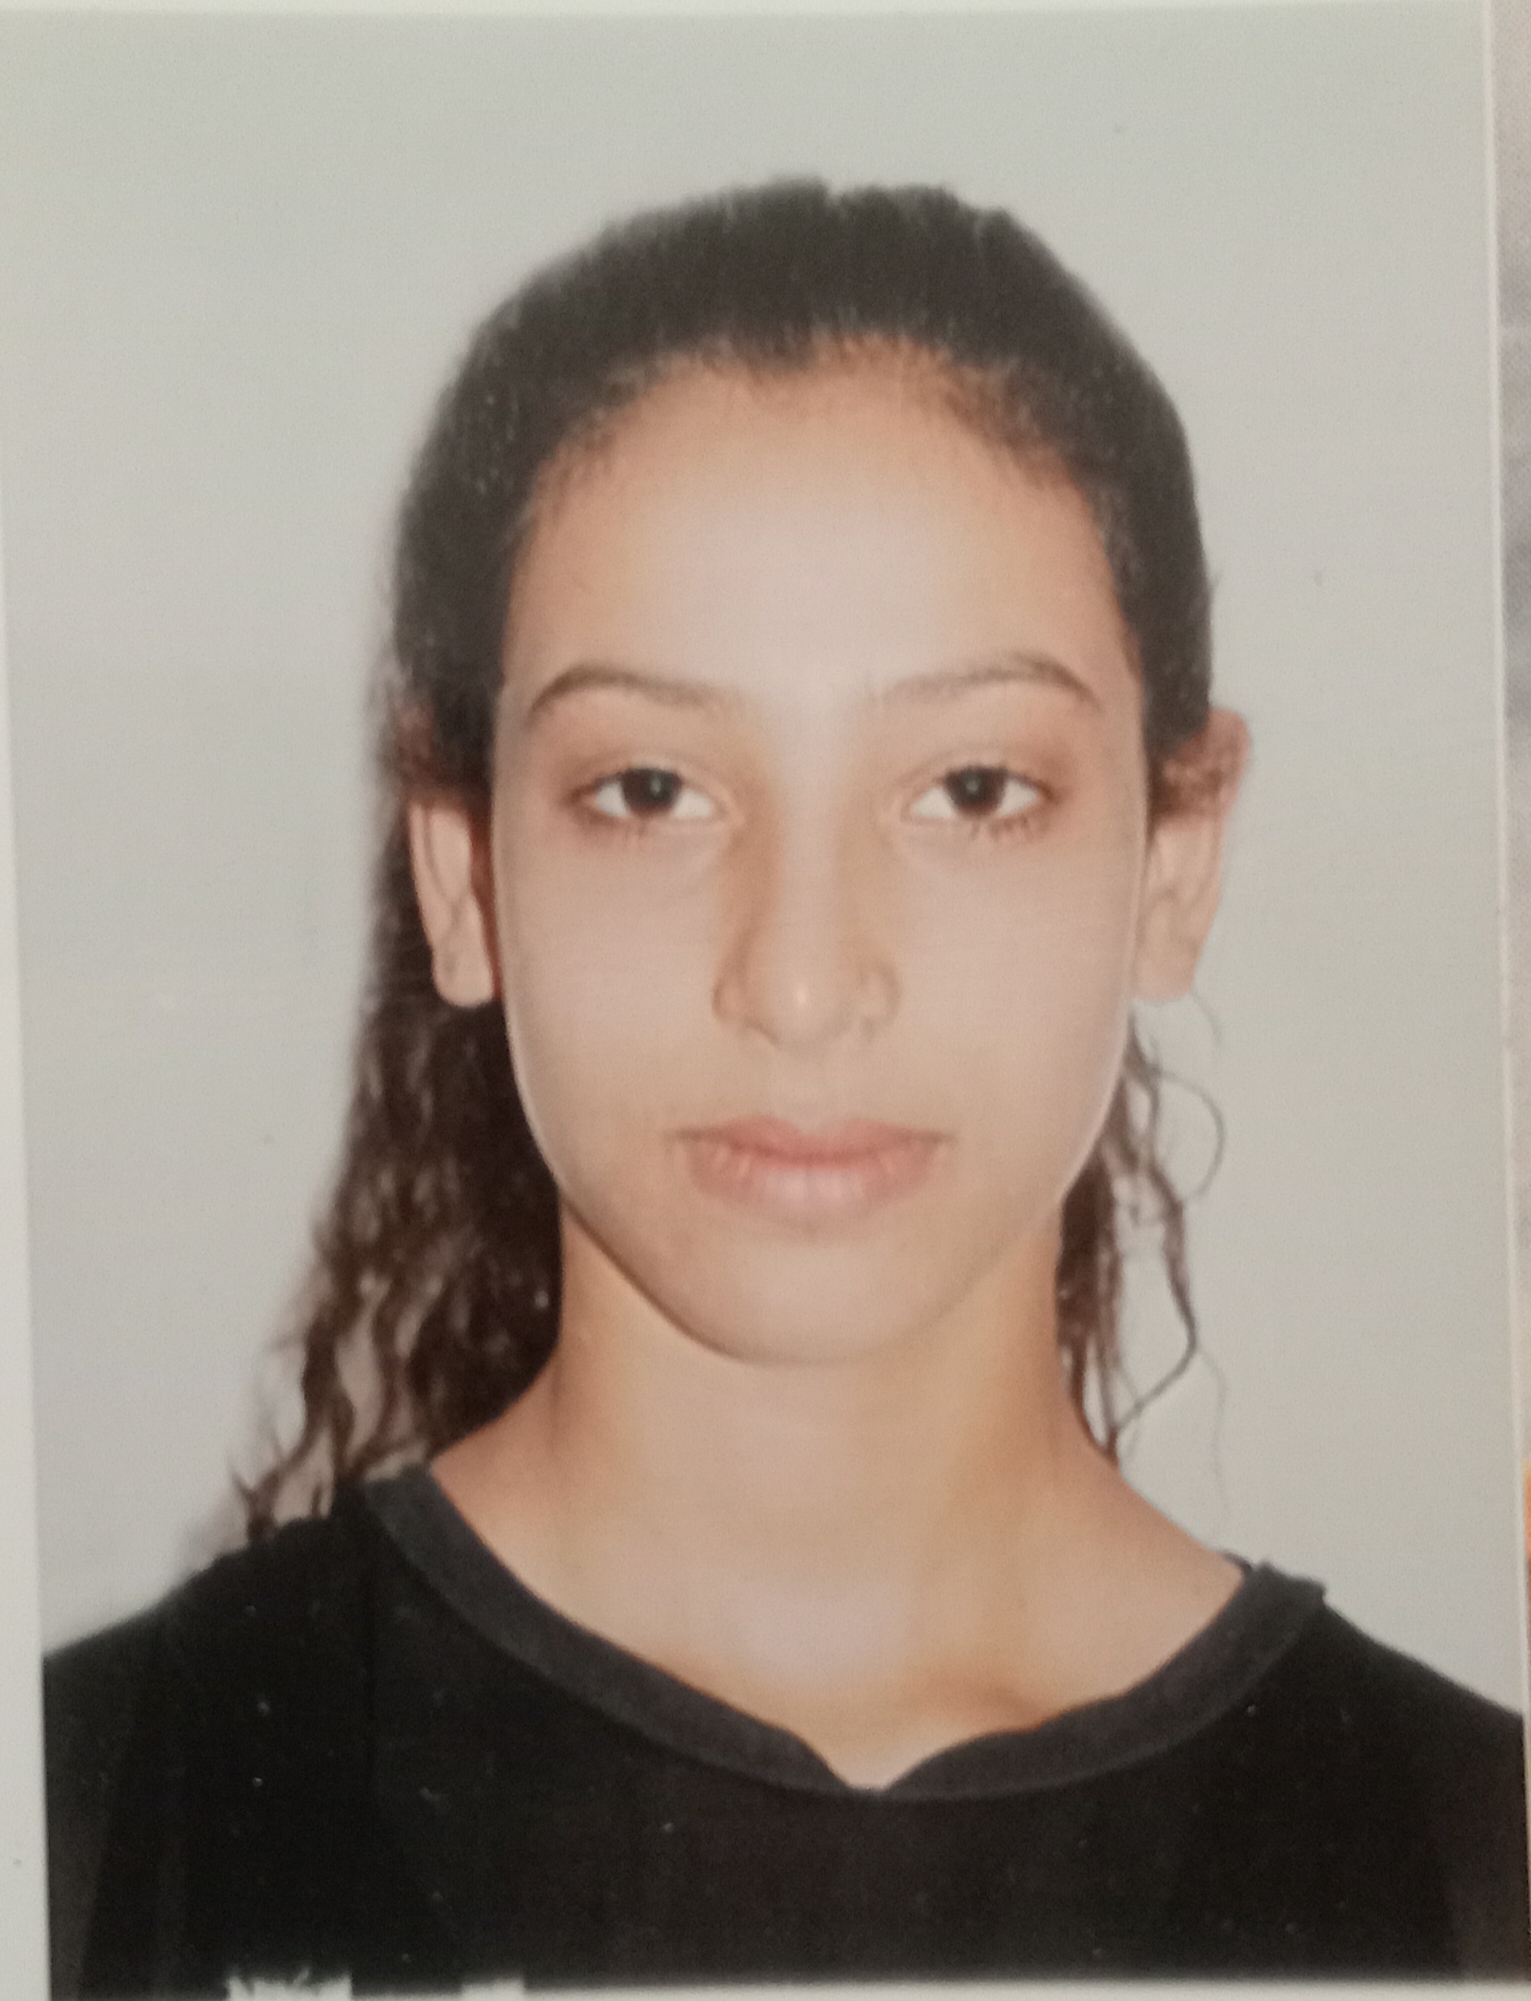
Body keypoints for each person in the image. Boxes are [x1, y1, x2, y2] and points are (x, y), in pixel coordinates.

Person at [43, 181, 1531, 1993]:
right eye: (652, 790)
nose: (805, 981)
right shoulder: (91, 1819)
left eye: (972, 790)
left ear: (1176, 858)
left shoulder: (1477, 1863)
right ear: (463, 871)